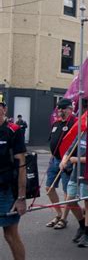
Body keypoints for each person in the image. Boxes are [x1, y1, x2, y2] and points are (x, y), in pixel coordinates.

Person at [59, 129, 88, 247]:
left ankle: (87, 233)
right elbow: (70, 150)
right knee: (70, 200)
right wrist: (64, 160)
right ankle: (81, 225)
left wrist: (77, 160)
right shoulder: (82, 133)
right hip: (76, 174)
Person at [0, 101, 27, 260]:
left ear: (4, 109)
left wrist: (21, 198)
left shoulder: (13, 131)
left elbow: (22, 165)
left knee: (10, 235)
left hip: (6, 191)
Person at [45, 98, 76, 229]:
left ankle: (63, 219)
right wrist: (51, 156)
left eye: (63, 108)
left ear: (70, 109)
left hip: (67, 161)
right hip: (55, 160)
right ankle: (58, 213)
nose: (60, 111)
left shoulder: (75, 123)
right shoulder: (56, 124)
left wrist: (69, 159)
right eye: (59, 108)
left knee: (66, 191)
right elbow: (52, 140)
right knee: (49, 188)